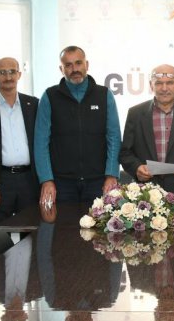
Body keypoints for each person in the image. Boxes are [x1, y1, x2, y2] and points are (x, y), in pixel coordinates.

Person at [35, 46, 121, 206]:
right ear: (61, 69)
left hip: (98, 181)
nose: (74, 69)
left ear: (87, 64)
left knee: (101, 222)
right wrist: (46, 179)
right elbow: (41, 142)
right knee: (63, 223)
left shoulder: (104, 95)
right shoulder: (49, 97)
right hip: (61, 183)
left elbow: (114, 137)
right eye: (68, 65)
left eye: (78, 63)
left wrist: (111, 174)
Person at [119, 63, 174, 201]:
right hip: (145, 195)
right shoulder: (135, 113)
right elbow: (125, 153)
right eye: (159, 83)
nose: (164, 88)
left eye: (170, 83)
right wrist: (136, 168)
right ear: (151, 85)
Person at [0, 57, 40, 227]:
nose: (8, 77)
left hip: (29, 179)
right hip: (2, 180)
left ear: (19, 74)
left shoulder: (33, 104)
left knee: (31, 229)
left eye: (12, 72)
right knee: (0, 232)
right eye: (2, 72)